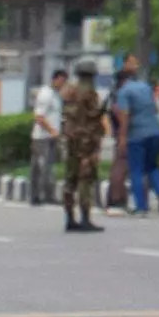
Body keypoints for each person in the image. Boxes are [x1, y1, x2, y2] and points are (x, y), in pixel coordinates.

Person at [48, 63, 107, 235]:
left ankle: (69, 218)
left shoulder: (69, 91)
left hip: (71, 139)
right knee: (85, 179)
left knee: (70, 179)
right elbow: (93, 117)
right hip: (86, 140)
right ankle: (85, 218)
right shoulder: (89, 93)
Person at [115, 60, 159, 215]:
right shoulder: (145, 87)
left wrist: (122, 138)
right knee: (152, 166)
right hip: (155, 132)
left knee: (136, 170)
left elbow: (125, 116)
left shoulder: (124, 92)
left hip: (136, 135)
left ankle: (141, 207)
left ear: (121, 81)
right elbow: (155, 108)